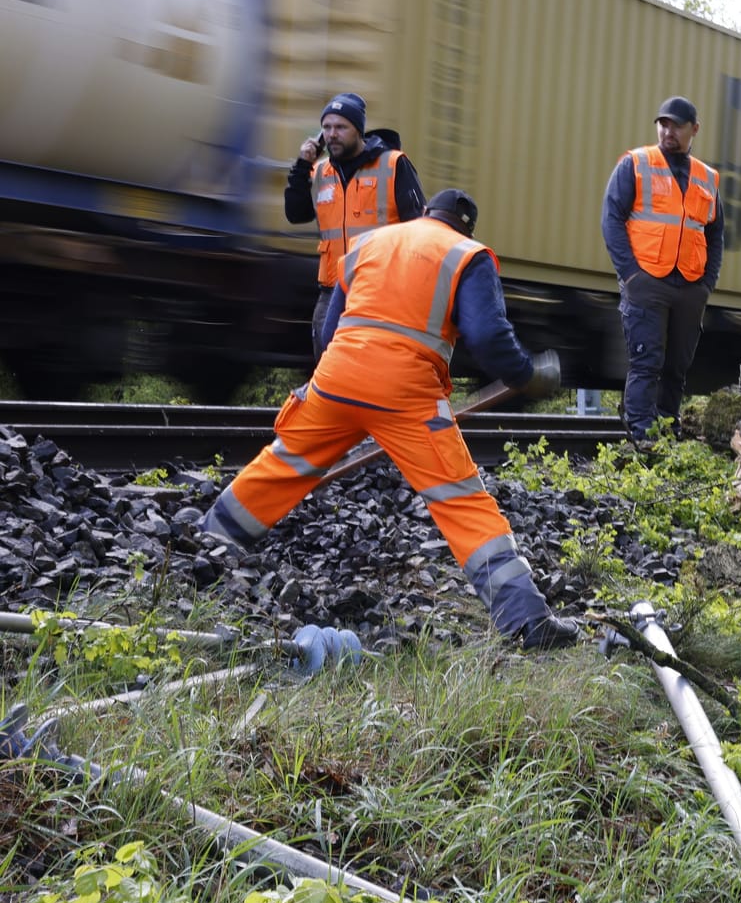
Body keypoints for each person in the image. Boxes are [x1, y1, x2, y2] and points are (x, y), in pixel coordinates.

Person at [199, 189, 580, 650]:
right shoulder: (467, 255)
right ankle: (526, 620)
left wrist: (335, 381)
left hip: (336, 376)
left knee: (286, 461)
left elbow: (329, 327)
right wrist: (525, 373)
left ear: (425, 214)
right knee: (459, 500)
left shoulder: (371, 243)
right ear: (465, 227)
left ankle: (206, 549)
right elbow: (487, 335)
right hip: (405, 393)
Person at [601, 95, 726, 444]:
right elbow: (611, 220)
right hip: (647, 283)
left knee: (676, 369)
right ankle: (642, 438)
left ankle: (668, 433)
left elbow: (716, 235)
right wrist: (631, 275)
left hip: (689, 287)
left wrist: (706, 284)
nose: (668, 131)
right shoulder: (636, 164)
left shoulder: (707, 178)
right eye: (663, 123)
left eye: (676, 125)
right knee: (646, 363)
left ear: (694, 130)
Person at [286, 92, 426, 361]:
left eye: (340, 127)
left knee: (371, 368)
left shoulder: (393, 164)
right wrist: (302, 166)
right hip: (331, 291)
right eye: (326, 128)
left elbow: (420, 229)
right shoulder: (319, 173)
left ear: (359, 131)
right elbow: (295, 213)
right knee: (327, 367)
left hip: (380, 292)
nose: (331, 134)